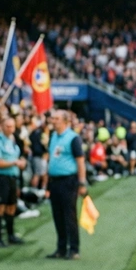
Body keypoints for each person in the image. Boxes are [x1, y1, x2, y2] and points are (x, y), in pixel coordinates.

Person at [46, 110, 88, 260]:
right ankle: (61, 248)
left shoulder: (72, 138)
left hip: (68, 180)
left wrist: (82, 182)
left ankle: (74, 248)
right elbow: (51, 159)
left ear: (65, 121)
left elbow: (80, 161)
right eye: (53, 118)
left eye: (57, 118)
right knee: (57, 215)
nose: (53, 120)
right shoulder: (53, 137)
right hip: (54, 181)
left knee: (69, 215)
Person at [0, 117, 27, 247]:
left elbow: (16, 156)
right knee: (0, 206)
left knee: (12, 206)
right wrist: (15, 163)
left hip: (12, 177)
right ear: (2, 127)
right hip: (0, 178)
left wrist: (21, 162)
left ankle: (11, 235)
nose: (11, 129)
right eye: (8, 126)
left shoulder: (13, 140)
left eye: (12, 126)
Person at [29, 115, 49, 190]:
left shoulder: (34, 133)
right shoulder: (38, 133)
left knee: (42, 174)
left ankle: (41, 190)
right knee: (38, 174)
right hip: (39, 156)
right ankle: (34, 191)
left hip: (39, 156)